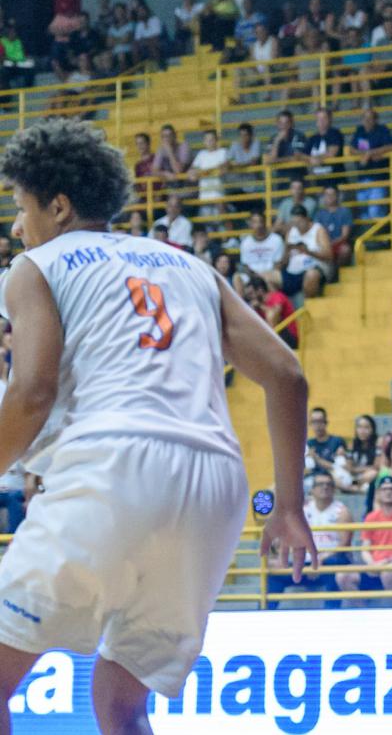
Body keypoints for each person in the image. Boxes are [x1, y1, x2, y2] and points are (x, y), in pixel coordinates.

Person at [0, 118, 315, 730]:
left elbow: (32, 391)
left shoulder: (33, 266)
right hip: (214, 488)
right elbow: (288, 376)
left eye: (20, 207)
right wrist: (290, 506)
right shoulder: (188, 265)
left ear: (58, 207)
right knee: (121, 705)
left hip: (113, 464)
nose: (16, 226)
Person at [267, 471, 351, 609]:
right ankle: (264, 613)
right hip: (305, 561)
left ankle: (332, 613)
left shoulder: (342, 512)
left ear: (334, 489)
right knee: (275, 574)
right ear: (312, 489)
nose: (325, 487)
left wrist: (320, 559)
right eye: (320, 484)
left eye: (329, 484)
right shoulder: (303, 510)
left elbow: (344, 544)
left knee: (333, 569)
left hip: (330, 560)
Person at [336, 474, 392, 595]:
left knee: (388, 573)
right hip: (374, 565)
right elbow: (365, 548)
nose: (388, 492)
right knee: (343, 576)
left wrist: (386, 562)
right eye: (384, 489)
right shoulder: (371, 517)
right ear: (378, 493)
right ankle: (361, 612)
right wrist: (372, 564)